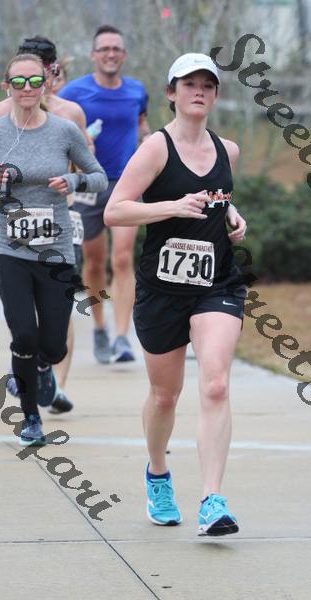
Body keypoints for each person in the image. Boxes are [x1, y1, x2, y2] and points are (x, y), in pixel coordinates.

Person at [103, 53, 247, 536]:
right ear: (171, 93)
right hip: (162, 290)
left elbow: (218, 197)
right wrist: (170, 207)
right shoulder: (155, 149)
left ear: (216, 95)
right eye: (189, 84)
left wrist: (232, 215)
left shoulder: (227, 150)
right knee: (165, 396)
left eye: (207, 84)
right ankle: (158, 474)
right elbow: (115, 211)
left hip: (216, 285)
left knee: (216, 384)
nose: (198, 91)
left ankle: (212, 501)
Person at [0, 53, 107, 445]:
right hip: (11, 250)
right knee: (24, 336)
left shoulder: (64, 131)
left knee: (52, 346)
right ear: (7, 87)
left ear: (45, 84)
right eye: (18, 82)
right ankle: (31, 418)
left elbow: (99, 177)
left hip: (56, 252)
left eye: (35, 81)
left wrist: (73, 183)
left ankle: (42, 367)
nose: (27, 89)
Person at [59, 24, 151, 364]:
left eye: (116, 48)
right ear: (93, 55)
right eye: (104, 49)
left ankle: (123, 338)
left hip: (126, 184)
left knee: (123, 258)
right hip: (88, 185)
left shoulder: (136, 90)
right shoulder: (74, 91)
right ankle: (99, 327)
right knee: (94, 262)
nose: (111, 54)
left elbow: (142, 127)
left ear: (123, 55)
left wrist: (153, 148)